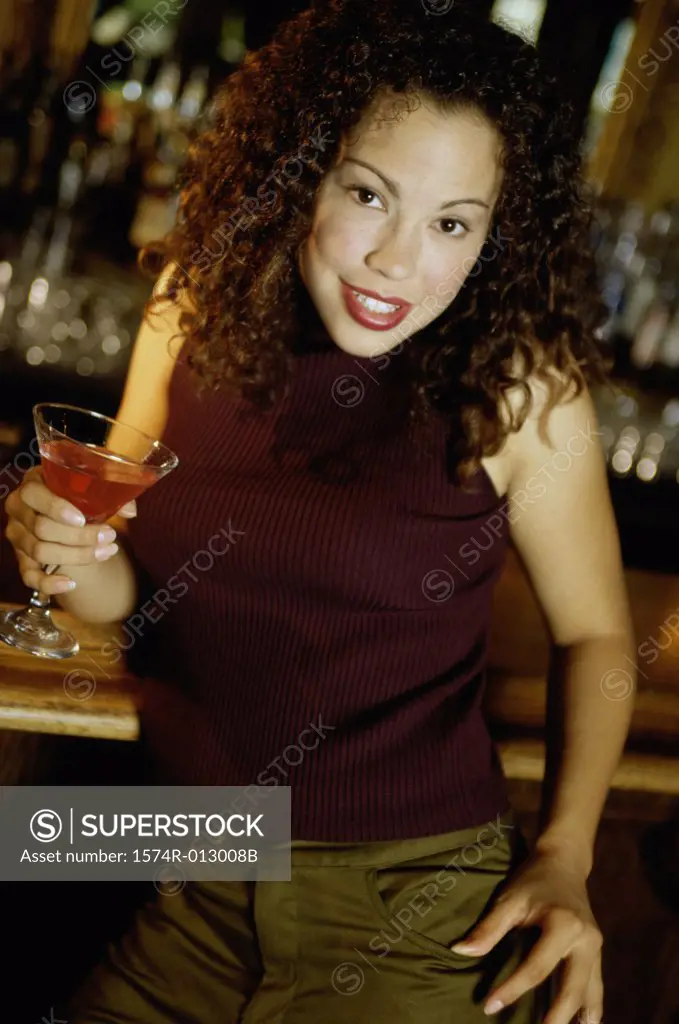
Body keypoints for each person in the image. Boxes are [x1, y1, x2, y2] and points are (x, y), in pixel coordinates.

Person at [4, 0, 637, 1021]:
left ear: (494, 232)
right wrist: (57, 546)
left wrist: (567, 855)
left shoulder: (520, 385)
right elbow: (125, 581)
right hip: (187, 848)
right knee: (24, 840)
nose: (396, 261)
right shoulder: (192, 305)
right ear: (303, 174)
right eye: (368, 194)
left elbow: (599, 632)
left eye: (450, 223)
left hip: (410, 899)